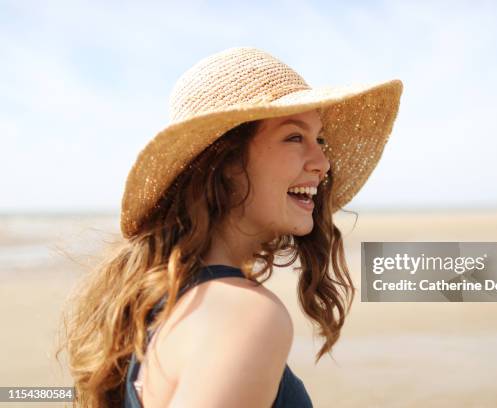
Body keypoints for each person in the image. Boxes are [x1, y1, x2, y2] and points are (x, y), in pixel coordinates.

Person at [56, 47, 402, 407]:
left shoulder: (163, 303)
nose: (323, 163)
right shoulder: (242, 313)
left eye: (320, 140)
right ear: (225, 163)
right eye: (294, 137)